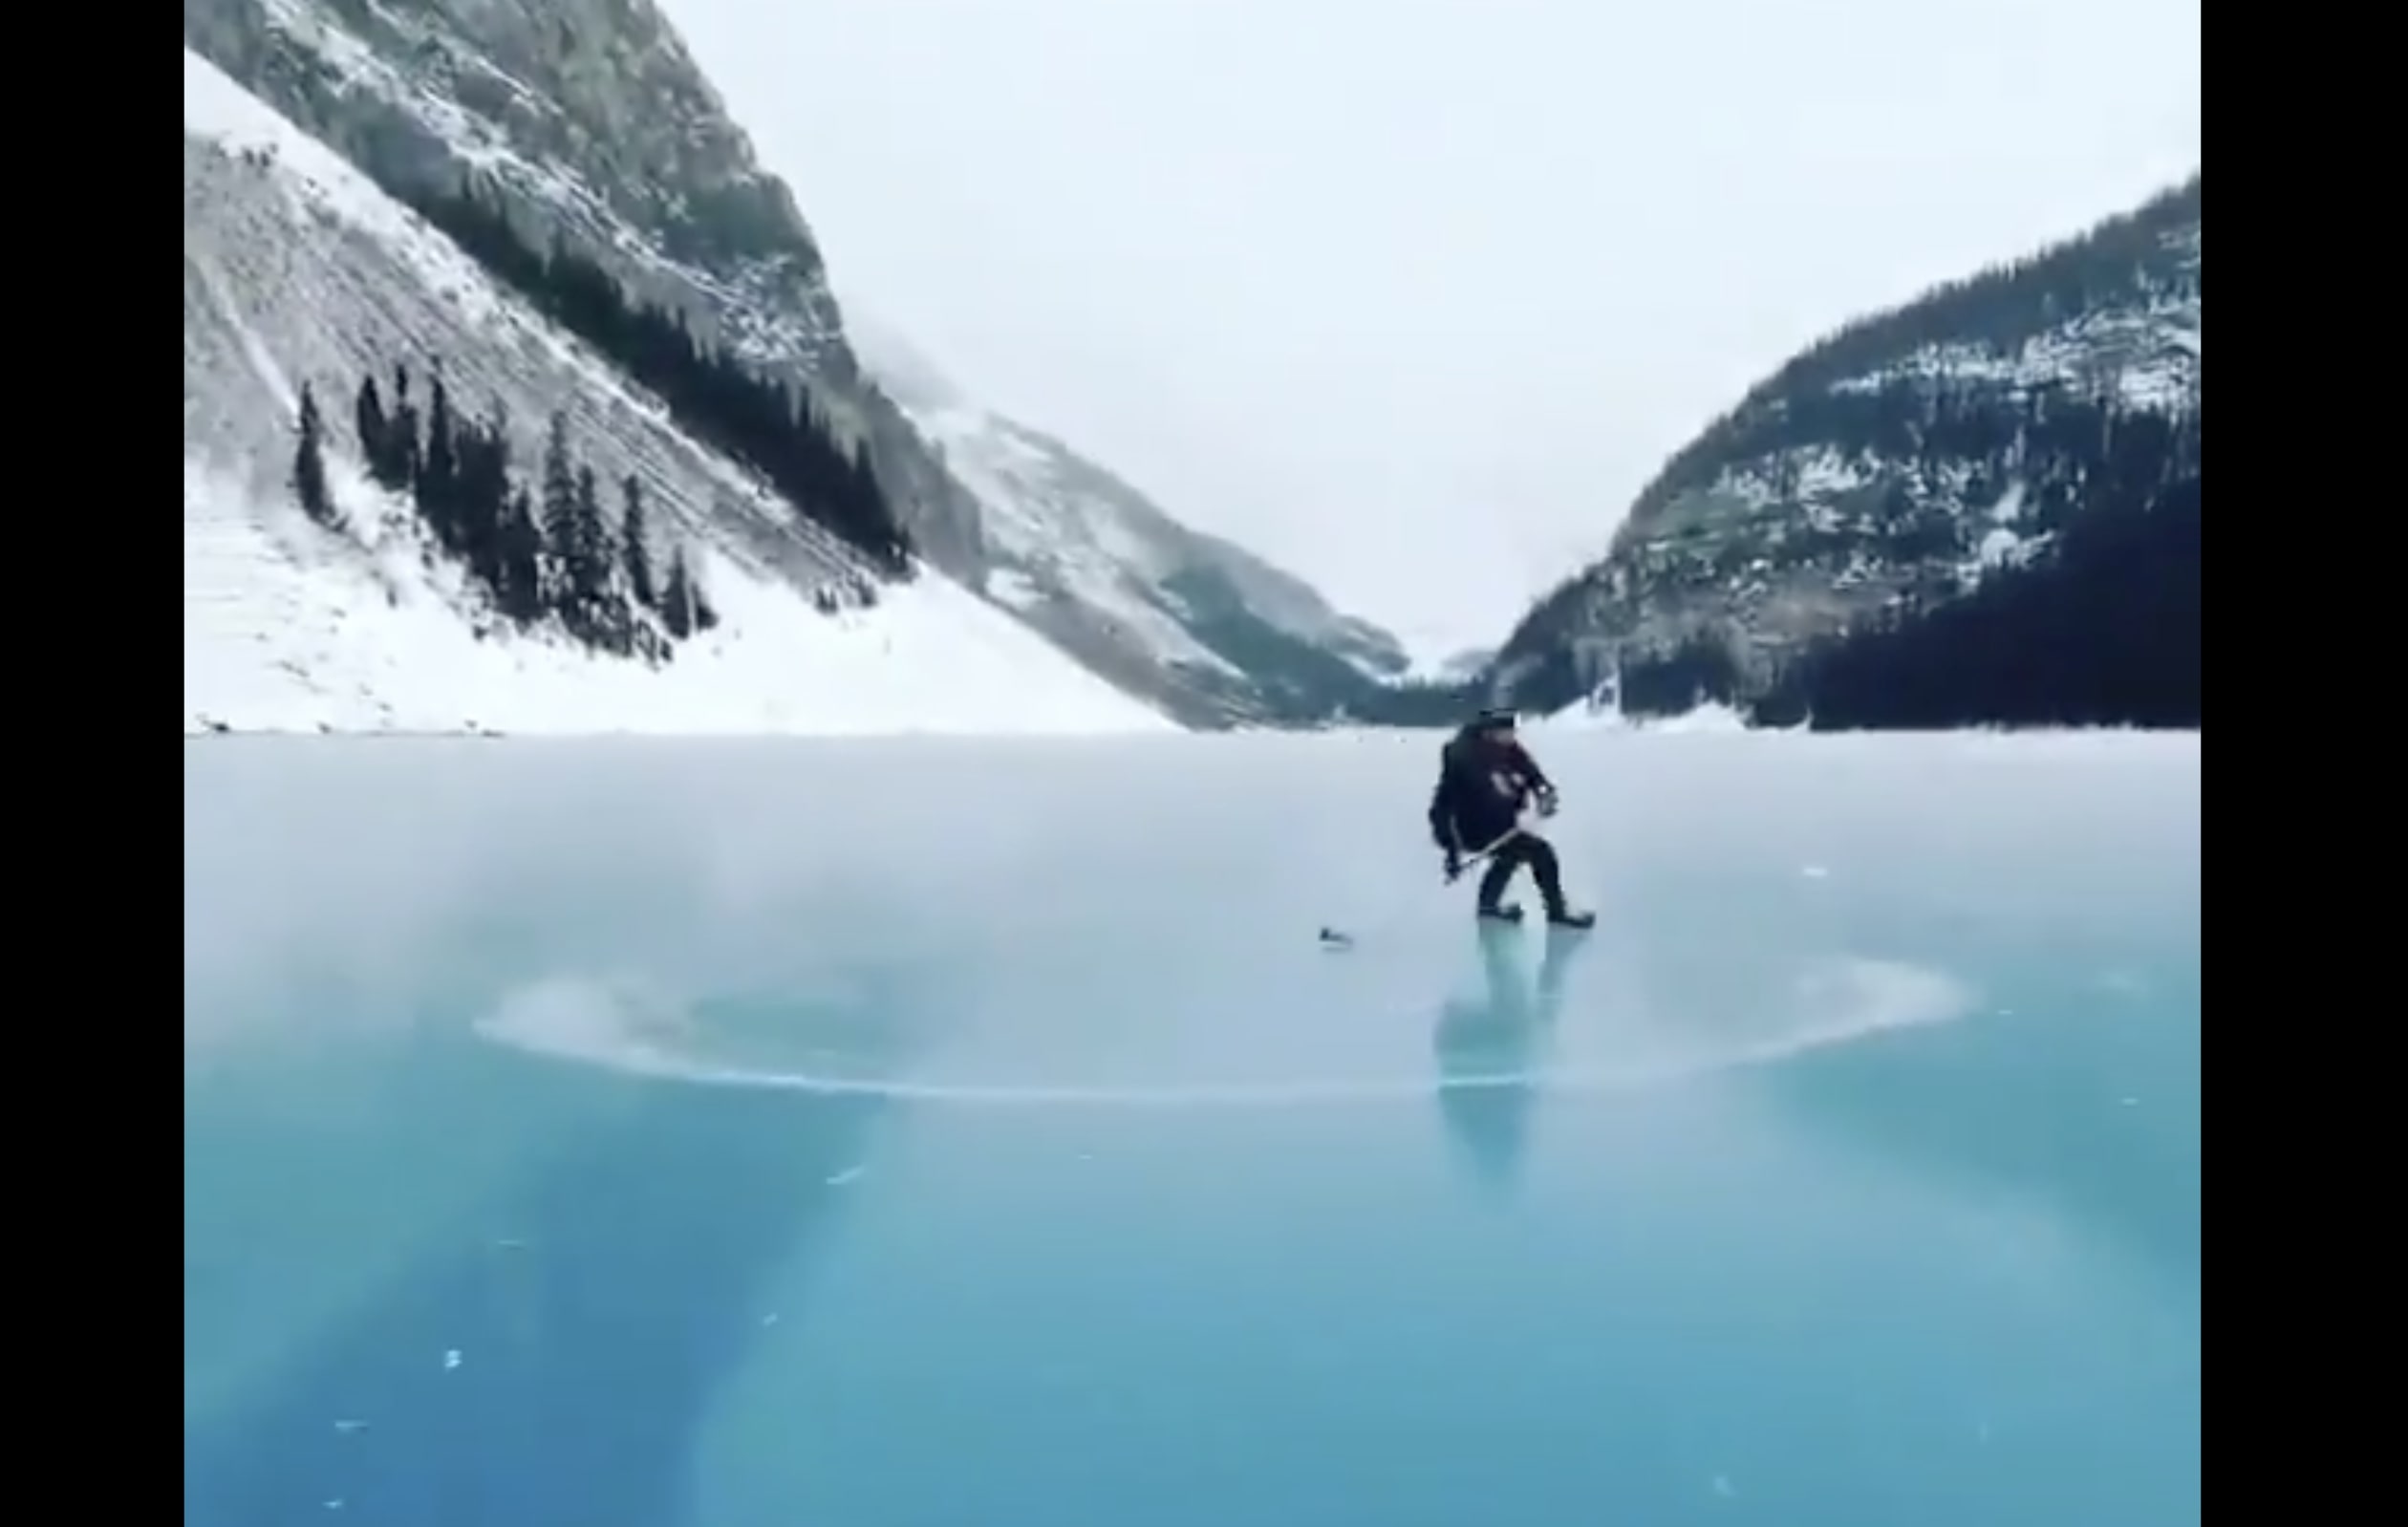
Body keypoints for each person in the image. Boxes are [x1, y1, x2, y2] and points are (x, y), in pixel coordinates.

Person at [1426, 707, 1595, 928]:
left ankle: (1488, 906)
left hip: (1499, 825)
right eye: (1507, 732)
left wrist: (1544, 791)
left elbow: (1530, 771)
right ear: (1489, 732)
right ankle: (1556, 911)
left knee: (1510, 856)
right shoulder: (1464, 757)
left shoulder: (1506, 748)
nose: (1512, 737)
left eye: (1512, 732)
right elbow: (1448, 804)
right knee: (1541, 853)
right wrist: (1451, 851)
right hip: (1471, 828)